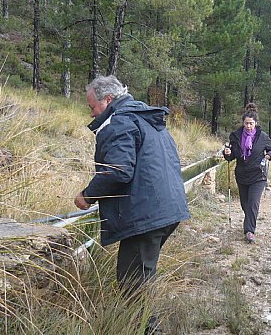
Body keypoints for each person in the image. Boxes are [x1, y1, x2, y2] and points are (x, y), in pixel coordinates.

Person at [74, 75, 190, 297]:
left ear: (108, 99)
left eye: (93, 106)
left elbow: (117, 171)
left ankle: (146, 328)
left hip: (146, 215)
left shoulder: (121, 122)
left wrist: (87, 196)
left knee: (133, 288)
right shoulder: (146, 118)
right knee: (141, 279)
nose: (91, 113)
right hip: (168, 209)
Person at [223, 103, 271, 243]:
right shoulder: (235, 136)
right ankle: (249, 221)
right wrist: (227, 153)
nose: (249, 126)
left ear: (256, 123)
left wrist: (270, 155)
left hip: (258, 176)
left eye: (251, 123)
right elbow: (231, 157)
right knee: (245, 204)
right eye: (246, 123)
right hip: (241, 175)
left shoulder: (262, 136)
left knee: (253, 203)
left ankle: (249, 231)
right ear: (243, 123)